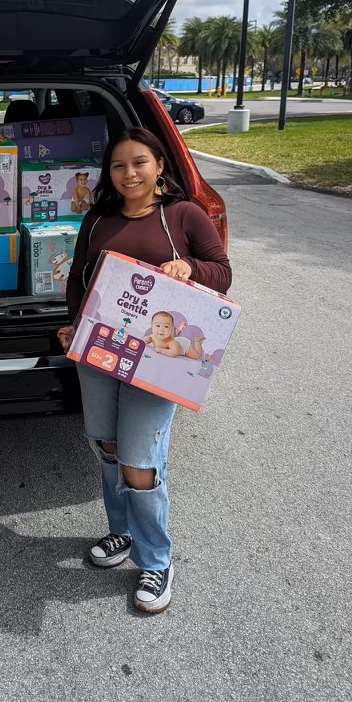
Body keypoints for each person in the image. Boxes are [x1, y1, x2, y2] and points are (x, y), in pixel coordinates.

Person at [56, 128, 231, 614]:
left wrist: (190, 268)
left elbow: (222, 270)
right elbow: (78, 279)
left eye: (139, 163)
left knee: (138, 459)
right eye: (118, 166)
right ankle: (121, 533)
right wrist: (74, 326)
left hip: (158, 359)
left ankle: (156, 559)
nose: (129, 173)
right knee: (107, 446)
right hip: (100, 352)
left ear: (158, 166)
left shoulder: (183, 215)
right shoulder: (97, 218)